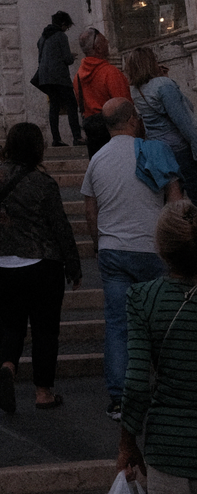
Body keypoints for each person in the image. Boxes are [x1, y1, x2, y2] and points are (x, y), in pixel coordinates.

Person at [82, 96, 182, 420]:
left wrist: (99, 242)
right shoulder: (154, 151)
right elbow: (175, 201)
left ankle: (119, 399)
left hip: (113, 252)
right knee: (164, 320)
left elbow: (90, 208)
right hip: (152, 248)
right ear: (134, 119)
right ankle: (170, 390)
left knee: (117, 324)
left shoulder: (96, 159)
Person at [0, 121, 81, 413]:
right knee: (45, 329)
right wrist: (73, 265)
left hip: (2, 263)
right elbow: (60, 226)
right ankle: (43, 392)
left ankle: (8, 367)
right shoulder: (43, 183)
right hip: (41, 262)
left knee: (11, 325)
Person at [117, 200, 197, 494]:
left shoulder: (143, 298)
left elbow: (137, 383)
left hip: (168, 449)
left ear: (161, 249)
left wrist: (127, 442)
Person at [125, 45, 197, 203]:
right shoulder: (164, 86)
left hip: (157, 150)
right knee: (194, 192)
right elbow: (184, 120)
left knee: (172, 198)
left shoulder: (137, 91)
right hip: (179, 149)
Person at [75, 27, 131, 155]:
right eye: (105, 41)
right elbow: (125, 108)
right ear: (99, 48)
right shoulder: (111, 73)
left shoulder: (77, 77)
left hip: (93, 136)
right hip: (115, 134)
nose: (108, 44)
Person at [35, 12, 84, 147]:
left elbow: (41, 58)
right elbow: (67, 59)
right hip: (59, 77)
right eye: (67, 27)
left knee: (54, 106)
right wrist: (71, 57)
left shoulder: (43, 37)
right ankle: (77, 137)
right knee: (71, 104)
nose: (66, 29)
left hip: (45, 78)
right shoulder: (61, 36)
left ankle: (56, 139)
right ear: (63, 24)